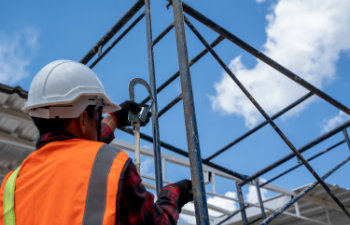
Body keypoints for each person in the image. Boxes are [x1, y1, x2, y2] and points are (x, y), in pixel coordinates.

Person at [0, 60, 193, 225]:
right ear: (83, 119)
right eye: (98, 113)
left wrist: (115, 118)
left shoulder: (11, 185)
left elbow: (74, 148)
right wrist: (173, 193)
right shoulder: (111, 164)